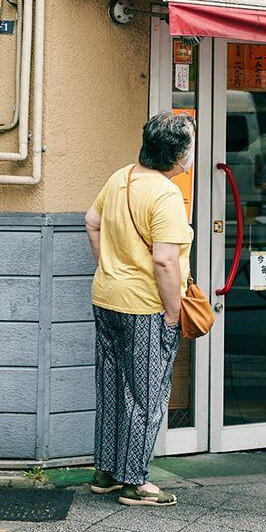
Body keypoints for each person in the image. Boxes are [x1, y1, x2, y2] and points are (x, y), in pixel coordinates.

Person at [85, 113, 195, 508]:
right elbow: (165, 260)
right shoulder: (166, 195)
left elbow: (91, 221)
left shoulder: (122, 177)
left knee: (112, 387)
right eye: (190, 146)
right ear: (178, 155)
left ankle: (105, 472)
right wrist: (173, 313)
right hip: (145, 307)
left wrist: (109, 267)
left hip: (107, 298)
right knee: (146, 395)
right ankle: (135, 482)